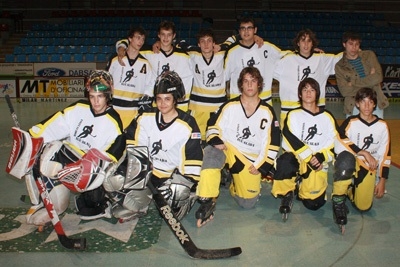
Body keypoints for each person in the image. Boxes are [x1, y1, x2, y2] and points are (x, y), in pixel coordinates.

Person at [20, 70, 126, 225]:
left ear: (108, 96)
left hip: (87, 168)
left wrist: (88, 168)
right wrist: (31, 137)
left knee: (89, 210)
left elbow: (112, 154)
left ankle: (101, 201)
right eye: (92, 97)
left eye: (100, 97)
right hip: (68, 157)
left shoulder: (114, 122)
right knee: (43, 152)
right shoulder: (78, 108)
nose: (96, 102)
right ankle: (45, 202)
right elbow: (53, 126)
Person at [196, 66, 280, 227]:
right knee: (211, 153)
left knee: (247, 203)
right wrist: (215, 139)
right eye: (246, 81)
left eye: (253, 81)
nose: (249, 85)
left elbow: (273, 142)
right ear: (241, 85)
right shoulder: (229, 106)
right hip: (229, 149)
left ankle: (232, 183)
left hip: (250, 159)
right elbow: (213, 125)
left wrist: (262, 165)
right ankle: (207, 200)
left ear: (259, 85)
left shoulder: (267, 111)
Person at [125, 71, 203, 220]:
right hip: (148, 174)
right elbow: (132, 140)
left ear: (175, 100)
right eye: (159, 99)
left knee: (174, 199)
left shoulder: (188, 124)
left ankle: (188, 199)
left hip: (170, 178)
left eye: (167, 99)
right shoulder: (145, 117)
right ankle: (145, 199)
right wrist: (142, 163)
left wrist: (184, 184)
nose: (162, 103)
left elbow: (194, 158)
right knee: (116, 184)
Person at [271, 77, 339, 223]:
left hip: (318, 165)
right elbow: (290, 140)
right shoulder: (293, 115)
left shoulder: (327, 117)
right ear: (300, 94)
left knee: (314, 205)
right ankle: (288, 192)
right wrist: (309, 158)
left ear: (317, 94)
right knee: (285, 161)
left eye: (312, 90)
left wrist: (321, 157)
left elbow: (335, 143)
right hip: (300, 161)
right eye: (305, 89)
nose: (308, 93)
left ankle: (301, 184)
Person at [333, 87, 391, 232]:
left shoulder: (382, 126)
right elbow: (339, 140)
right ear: (357, 104)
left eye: (370, 102)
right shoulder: (351, 122)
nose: (366, 106)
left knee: (363, 206)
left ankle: (352, 191)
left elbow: (385, 155)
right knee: (345, 159)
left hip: (369, 168)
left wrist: (382, 181)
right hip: (353, 163)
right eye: (363, 102)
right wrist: (362, 152)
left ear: (374, 105)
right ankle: (338, 199)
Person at [273, 29, 342, 124]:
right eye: (303, 40)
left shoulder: (321, 59)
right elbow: (267, 62)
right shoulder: (286, 59)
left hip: (315, 110)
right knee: (289, 139)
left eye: (309, 41)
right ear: (298, 43)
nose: (306, 44)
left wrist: (357, 51)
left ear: (312, 44)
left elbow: (342, 58)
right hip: (290, 110)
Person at [224, 17, 287, 105]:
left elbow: (286, 55)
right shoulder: (232, 52)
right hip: (240, 102)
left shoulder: (267, 47)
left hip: (263, 100)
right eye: (243, 28)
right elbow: (223, 77)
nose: (246, 32)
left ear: (255, 30)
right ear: (239, 31)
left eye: (249, 28)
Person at [106, 27, 155, 129]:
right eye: (138, 38)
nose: (140, 41)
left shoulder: (145, 63)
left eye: (143, 39)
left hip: (133, 111)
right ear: (130, 39)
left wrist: (146, 97)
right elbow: (107, 80)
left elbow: (150, 84)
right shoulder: (115, 59)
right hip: (115, 109)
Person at [140, 21, 193, 112]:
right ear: (158, 35)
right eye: (163, 34)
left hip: (179, 105)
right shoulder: (148, 53)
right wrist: (121, 46)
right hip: (157, 104)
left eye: (169, 35)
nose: (166, 38)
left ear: (174, 36)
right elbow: (131, 46)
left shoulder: (184, 56)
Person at [335, 31, 389, 118]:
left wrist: (353, 82)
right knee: (353, 132)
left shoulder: (369, 55)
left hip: (375, 103)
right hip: (353, 106)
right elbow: (344, 91)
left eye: (357, 44)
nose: (354, 47)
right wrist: (370, 81)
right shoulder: (340, 66)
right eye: (351, 44)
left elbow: (378, 77)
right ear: (344, 44)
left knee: (376, 131)